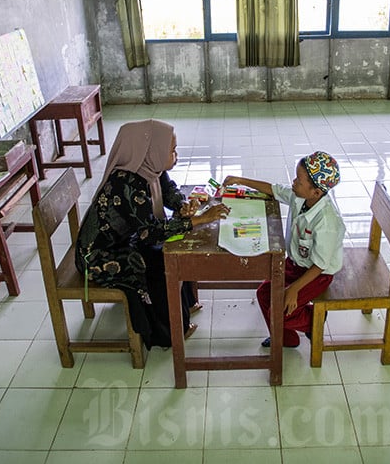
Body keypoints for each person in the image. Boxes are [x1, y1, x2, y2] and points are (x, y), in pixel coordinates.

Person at [75, 119, 230, 349]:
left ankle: (184, 307)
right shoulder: (126, 183)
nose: (176, 155)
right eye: (172, 150)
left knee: (174, 247)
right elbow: (151, 233)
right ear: (153, 151)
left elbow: (169, 190)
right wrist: (200, 219)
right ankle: (167, 332)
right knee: (158, 261)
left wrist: (181, 206)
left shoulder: (148, 168)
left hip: (122, 241)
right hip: (97, 256)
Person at [223, 151, 345, 348]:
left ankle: (314, 321)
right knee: (264, 293)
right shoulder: (300, 197)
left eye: (299, 180)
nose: (294, 182)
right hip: (296, 263)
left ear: (316, 192)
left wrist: (294, 289)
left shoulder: (327, 222)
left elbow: (320, 265)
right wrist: (240, 180)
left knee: (279, 310)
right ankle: (286, 339)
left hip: (317, 273)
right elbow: (273, 189)